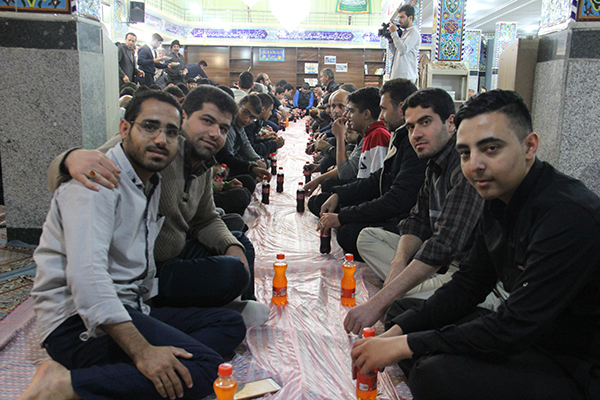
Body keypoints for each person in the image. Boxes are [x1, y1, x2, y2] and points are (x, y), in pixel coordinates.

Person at [352, 90, 600, 400]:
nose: (475, 165)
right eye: (465, 153)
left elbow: (513, 327)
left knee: (433, 373)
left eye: (491, 149)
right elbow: (469, 283)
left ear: (529, 146)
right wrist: (395, 336)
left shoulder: (567, 215)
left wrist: (406, 345)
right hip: (529, 335)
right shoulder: (498, 197)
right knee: (404, 317)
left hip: (573, 363)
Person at [19, 90, 246, 400]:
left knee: (229, 323)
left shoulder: (150, 179)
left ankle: (128, 373)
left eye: (170, 132)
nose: (161, 139)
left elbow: (206, 219)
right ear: (125, 129)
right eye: (149, 127)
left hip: (135, 302)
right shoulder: (98, 179)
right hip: (79, 323)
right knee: (207, 369)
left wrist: (232, 246)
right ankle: (63, 385)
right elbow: (88, 280)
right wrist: (143, 352)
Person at [47, 85, 269, 328]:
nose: (214, 133)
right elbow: (70, 173)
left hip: (177, 251)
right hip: (148, 268)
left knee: (240, 244)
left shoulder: (203, 162)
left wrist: (230, 246)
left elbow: (205, 219)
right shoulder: (157, 149)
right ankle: (181, 315)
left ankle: (237, 308)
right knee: (230, 273)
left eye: (223, 129)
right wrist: (69, 159)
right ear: (183, 117)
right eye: (207, 121)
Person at [346, 88, 485, 335]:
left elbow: (444, 244)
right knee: (366, 237)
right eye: (410, 127)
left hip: (467, 274)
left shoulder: (466, 166)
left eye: (425, 122)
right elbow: (417, 220)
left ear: (451, 123)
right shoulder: (434, 161)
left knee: (398, 311)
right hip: (437, 262)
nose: (416, 134)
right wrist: (398, 263)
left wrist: (381, 299)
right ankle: (412, 287)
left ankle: (408, 291)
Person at [314, 78, 426, 259]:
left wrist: (344, 216)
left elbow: (395, 198)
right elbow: (378, 178)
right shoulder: (398, 137)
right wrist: (339, 194)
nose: (381, 116)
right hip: (400, 214)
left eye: (348, 110)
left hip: (406, 221)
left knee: (349, 233)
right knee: (330, 199)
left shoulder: (385, 135)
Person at [388, 4, 420, 83]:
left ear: (410, 18)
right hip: (397, 77)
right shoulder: (404, 33)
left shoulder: (413, 33)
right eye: (398, 17)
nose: (399, 20)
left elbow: (403, 50)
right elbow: (397, 52)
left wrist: (394, 33)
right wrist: (391, 41)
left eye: (402, 17)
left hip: (406, 78)